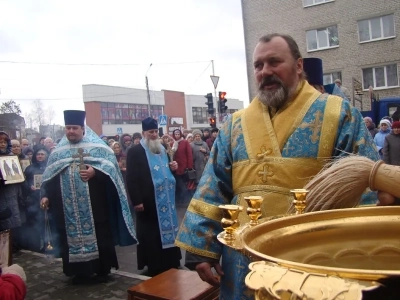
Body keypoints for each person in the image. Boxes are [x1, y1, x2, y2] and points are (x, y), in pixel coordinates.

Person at [175, 33, 383, 299]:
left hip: (310, 254)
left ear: (298, 66)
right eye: (258, 65)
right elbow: (214, 185)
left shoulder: (338, 114)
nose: (265, 71)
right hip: (242, 257)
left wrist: (360, 251)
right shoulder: (235, 124)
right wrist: (199, 247)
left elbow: (363, 186)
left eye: (274, 62)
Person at [40, 110, 136, 284]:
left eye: (74, 128)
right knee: (69, 239)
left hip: (96, 206)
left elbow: (112, 170)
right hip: (67, 209)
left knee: (100, 236)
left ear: (82, 129)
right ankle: (78, 272)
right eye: (68, 128)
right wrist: (45, 195)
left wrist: (96, 172)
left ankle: (101, 270)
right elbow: (49, 177)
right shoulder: (58, 152)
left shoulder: (98, 148)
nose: (71, 131)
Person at [126, 117, 181, 277]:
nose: (154, 134)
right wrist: (137, 201)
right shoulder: (135, 151)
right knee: (151, 234)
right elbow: (131, 178)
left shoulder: (162, 148)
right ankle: (154, 264)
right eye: (151, 132)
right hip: (148, 201)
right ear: (143, 133)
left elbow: (168, 171)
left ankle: (171, 261)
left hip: (166, 199)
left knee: (168, 230)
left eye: (156, 131)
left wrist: (174, 167)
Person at [21, 147, 49, 252]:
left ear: (46, 155)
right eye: (38, 154)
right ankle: (35, 246)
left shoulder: (50, 167)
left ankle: (48, 246)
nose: (40, 156)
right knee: (35, 224)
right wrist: (30, 187)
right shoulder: (29, 168)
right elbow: (24, 182)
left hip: (47, 199)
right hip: (33, 200)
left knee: (47, 223)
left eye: (42, 154)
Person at [0, 132, 23, 233]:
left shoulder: (12, 157)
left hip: (13, 192)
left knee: (13, 219)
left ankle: (12, 244)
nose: (3, 144)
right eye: (0, 142)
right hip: (1, 194)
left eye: (5, 142)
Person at [171, 129, 193, 204]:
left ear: (180, 134)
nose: (177, 136)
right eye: (175, 134)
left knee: (183, 185)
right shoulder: (172, 143)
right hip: (175, 167)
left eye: (178, 134)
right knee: (178, 184)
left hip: (184, 167)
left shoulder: (185, 142)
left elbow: (189, 154)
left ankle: (186, 200)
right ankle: (180, 200)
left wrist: (189, 166)